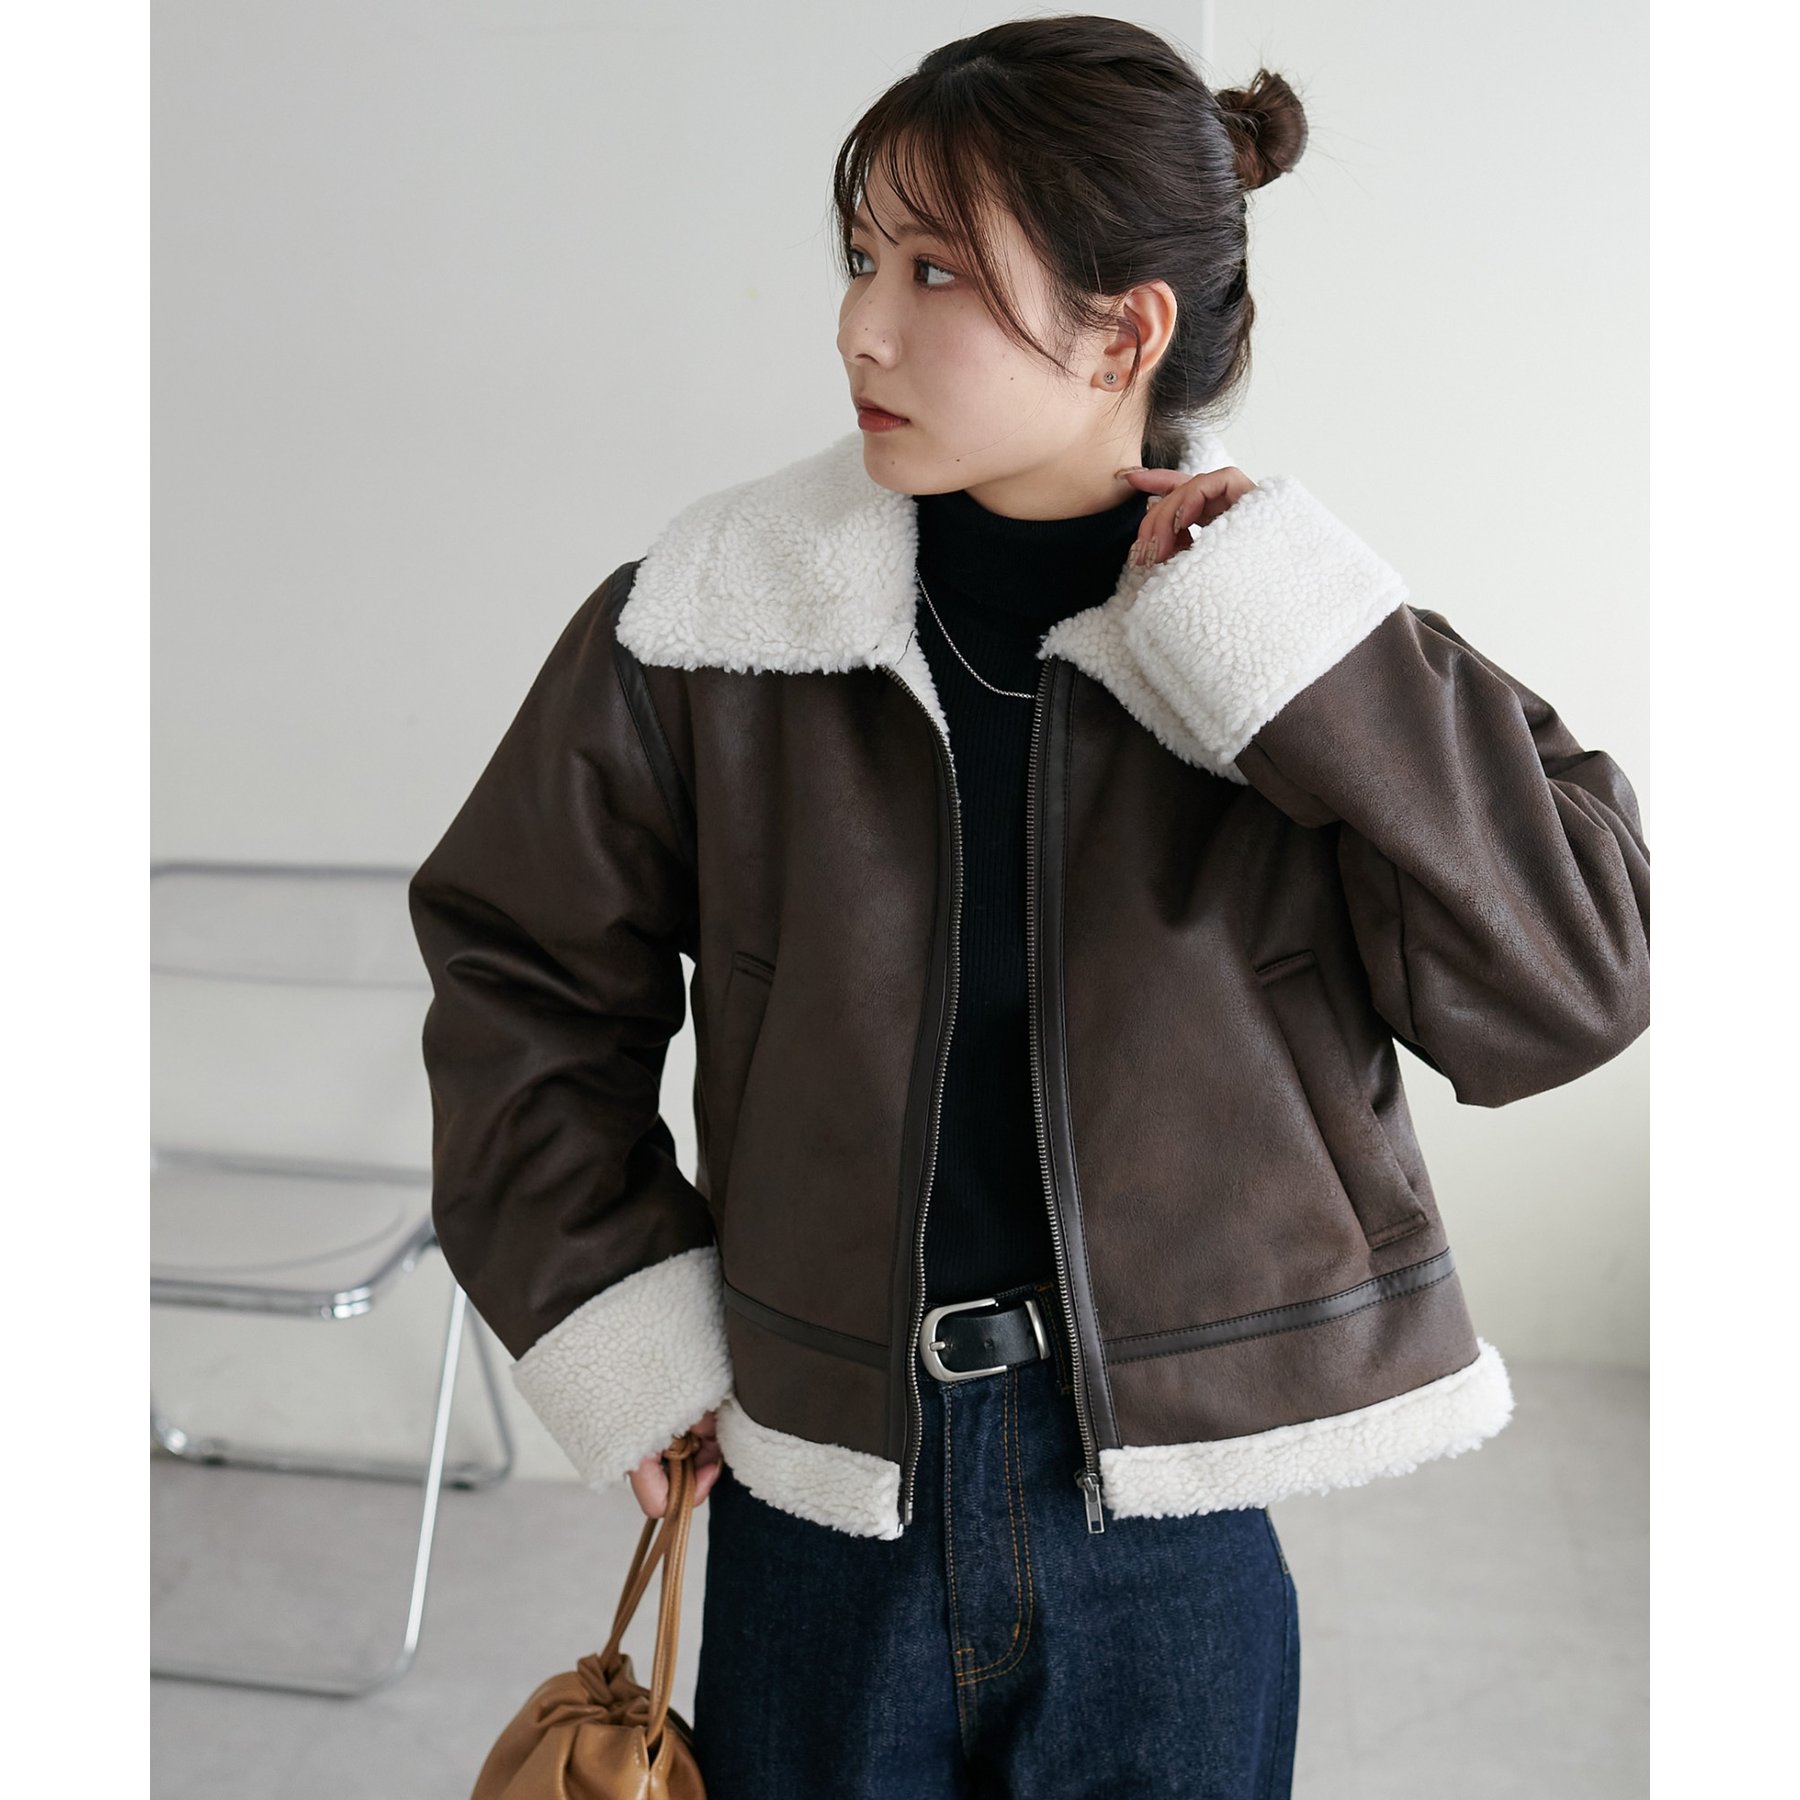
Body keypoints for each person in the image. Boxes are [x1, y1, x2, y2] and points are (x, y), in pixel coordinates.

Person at [407, 17, 1650, 1799]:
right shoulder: (706, 624)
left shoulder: (1290, 657)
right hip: (821, 1502)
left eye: (935, 274)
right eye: (860, 259)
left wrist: (1303, 644)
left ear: (1122, 332)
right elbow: (519, 976)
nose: (860, 326)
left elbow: (1567, 985)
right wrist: (627, 1322)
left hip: (1170, 1526)